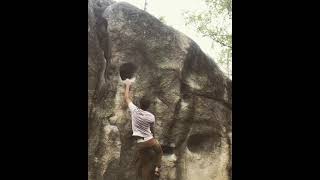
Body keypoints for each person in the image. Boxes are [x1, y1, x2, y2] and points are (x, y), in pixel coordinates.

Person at [123, 78, 163, 180]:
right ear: (149, 106)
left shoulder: (134, 111)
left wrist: (128, 84)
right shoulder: (151, 116)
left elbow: (127, 98)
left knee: (145, 165)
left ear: (140, 104)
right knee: (159, 151)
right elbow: (152, 127)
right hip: (150, 140)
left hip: (140, 143)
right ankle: (157, 168)